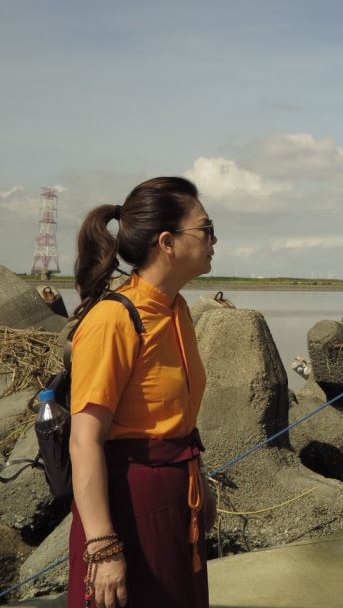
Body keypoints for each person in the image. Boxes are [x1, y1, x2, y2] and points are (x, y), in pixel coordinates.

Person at [68, 177, 217, 608]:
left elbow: (179, 423)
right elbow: (84, 440)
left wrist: (201, 484)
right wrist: (103, 546)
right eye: (206, 230)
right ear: (167, 242)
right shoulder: (114, 319)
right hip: (128, 503)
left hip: (176, 498)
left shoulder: (177, 309)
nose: (214, 241)